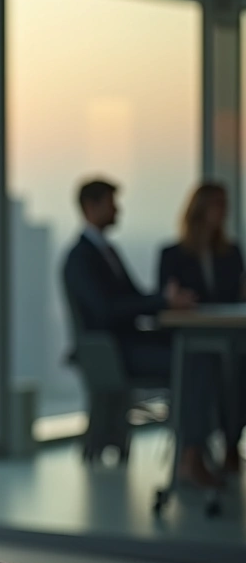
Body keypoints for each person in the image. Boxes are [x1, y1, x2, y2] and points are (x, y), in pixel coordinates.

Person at [62, 178, 217, 486]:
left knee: (199, 352)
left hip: (128, 344)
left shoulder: (107, 252)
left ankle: (194, 450)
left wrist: (167, 301)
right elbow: (107, 311)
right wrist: (161, 300)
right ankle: (191, 453)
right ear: (91, 207)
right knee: (194, 361)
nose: (117, 210)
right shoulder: (79, 259)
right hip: (115, 353)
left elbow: (130, 299)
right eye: (111, 203)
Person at [157, 181, 246, 475]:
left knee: (239, 366)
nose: (224, 211)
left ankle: (231, 443)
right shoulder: (172, 254)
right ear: (200, 209)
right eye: (217, 204)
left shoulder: (231, 253)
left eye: (225, 204)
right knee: (209, 363)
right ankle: (194, 453)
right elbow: (165, 298)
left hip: (230, 336)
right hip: (190, 339)